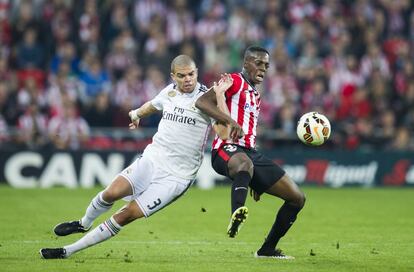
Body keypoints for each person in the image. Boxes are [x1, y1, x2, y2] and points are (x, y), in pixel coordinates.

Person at [39, 55, 243, 259]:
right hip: (153, 159)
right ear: (173, 76)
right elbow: (153, 105)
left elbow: (224, 134)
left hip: (177, 176)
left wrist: (220, 96)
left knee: (126, 214)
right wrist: (135, 115)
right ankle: (83, 223)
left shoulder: (206, 99)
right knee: (111, 193)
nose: (188, 79)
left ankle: (68, 251)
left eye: (191, 74)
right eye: (182, 76)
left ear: (197, 72)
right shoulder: (169, 92)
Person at [195, 46, 306, 259]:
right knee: (244, 165)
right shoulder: (233, 81)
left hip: (249, 154)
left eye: (266, 65)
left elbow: (249, 135)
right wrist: (229, 120)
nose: (263, 68)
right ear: (246, 63)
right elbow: (201, 102)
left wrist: (253, 179)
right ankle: (236, 213)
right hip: (225, 150)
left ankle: (267, 249)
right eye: (258, 63)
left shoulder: (254, 94)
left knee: (297, 198)